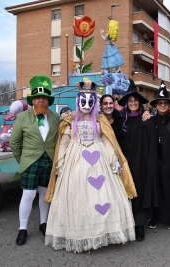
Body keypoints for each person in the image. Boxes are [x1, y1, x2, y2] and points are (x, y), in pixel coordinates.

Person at [44, 81, 137, 253]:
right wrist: (61, 162)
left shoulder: (100, 120)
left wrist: (113, 160)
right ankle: (79, 232)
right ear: (78, 101)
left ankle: (102, 230)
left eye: (90, 101)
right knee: (76, 195)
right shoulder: (70, 120)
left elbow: (108, 142)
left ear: (95, 102)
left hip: (98, 157)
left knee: (101, 196)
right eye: (83, 101)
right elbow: (64, 143)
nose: (86, 105)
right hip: (75, 159)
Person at [9, 74, 61, 245]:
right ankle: (22, 229)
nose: (41, 100)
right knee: (28, 195)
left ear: (48, 100)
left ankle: (43, 224)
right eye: (37, 97)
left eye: (44, 98)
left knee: (45, 195)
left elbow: (58, 139)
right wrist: (22, 160)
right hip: (30, 162)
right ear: (32, 100)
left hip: (49, 161)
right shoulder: (23, 117)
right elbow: (14, 142)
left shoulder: (55, 117)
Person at [117, 79, 159, 242]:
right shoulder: (121, 119)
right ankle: (126, 223)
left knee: (139, 192)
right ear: (127, 103)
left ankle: (139, 225)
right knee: (125, 191)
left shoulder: (146, 120)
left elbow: (152, 144)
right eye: (130, 101)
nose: (133, 103)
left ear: (139, 103)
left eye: (135, 101)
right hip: (124, 161)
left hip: (140, 162)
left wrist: (150, 164)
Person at [147, 81, 170, 230]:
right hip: (155, 160)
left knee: (169, 189)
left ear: (169, 105)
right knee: (156, 189)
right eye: (160, 103)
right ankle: (154, 217)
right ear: (155, 106)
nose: (162, 105)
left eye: (165, 103)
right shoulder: (150, 120)